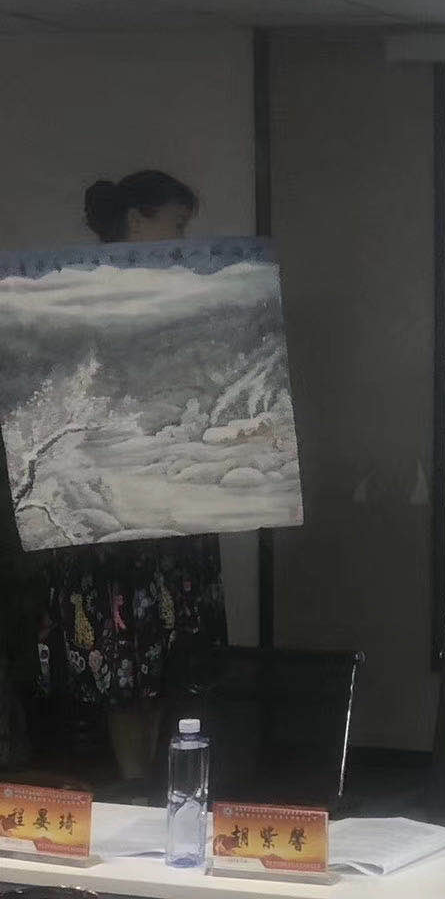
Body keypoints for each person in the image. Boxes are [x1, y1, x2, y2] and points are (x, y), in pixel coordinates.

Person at [9, 170, 226, 769]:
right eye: (176, 225)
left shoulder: (179, 296)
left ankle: (151, 780)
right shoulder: (67, 295)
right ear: (136, 221)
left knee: (164, 668)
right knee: (126, 664)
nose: (183, 240)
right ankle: (136, 783)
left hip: (165, 510)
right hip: (104, 516)